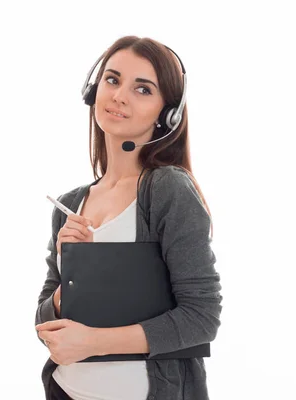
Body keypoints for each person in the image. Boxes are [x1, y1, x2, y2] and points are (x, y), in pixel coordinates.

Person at [34, 35, 223, 400]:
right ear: (94, 90)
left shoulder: (167, 190)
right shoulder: (71, 203)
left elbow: (202, 317)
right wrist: (75, 278)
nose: (120, 95)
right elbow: (43, 320)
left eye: (143, 89)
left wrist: (94, 342)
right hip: (66, 390)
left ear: (167, 113)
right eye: (112, 79)